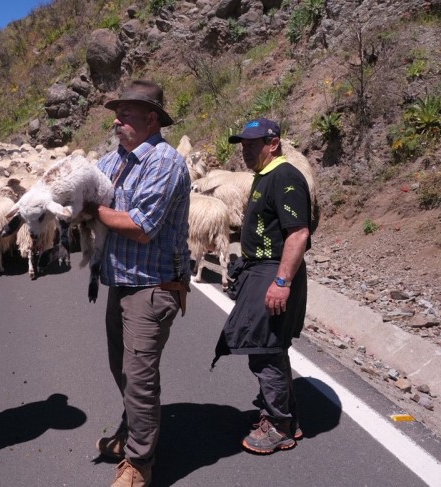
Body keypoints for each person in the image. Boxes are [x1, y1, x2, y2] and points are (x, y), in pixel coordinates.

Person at [84, 80, 191, 487]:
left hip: (153, 286)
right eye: (116, 114)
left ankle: (139, 464)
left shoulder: (164, 162)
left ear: (151, 119)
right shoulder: (116, 161)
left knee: (140, 375)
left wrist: (93, 208)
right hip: (121, 283)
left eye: (125, 115)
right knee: (124, 370)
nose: (117, 121)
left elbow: (140, 227)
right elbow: (88, 188)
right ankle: (134, 433)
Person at [211, 118, 314, 454]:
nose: (246, 149)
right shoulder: (263, 176)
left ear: (274, 143)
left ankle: (279, 425)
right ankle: (289, 418)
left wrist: (281, 282)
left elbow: (298, 233)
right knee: (270, 345)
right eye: (243, 144)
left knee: (264, 349)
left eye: (253, 143)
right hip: (262, 270)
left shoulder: (284, 177)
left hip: (274, 271)